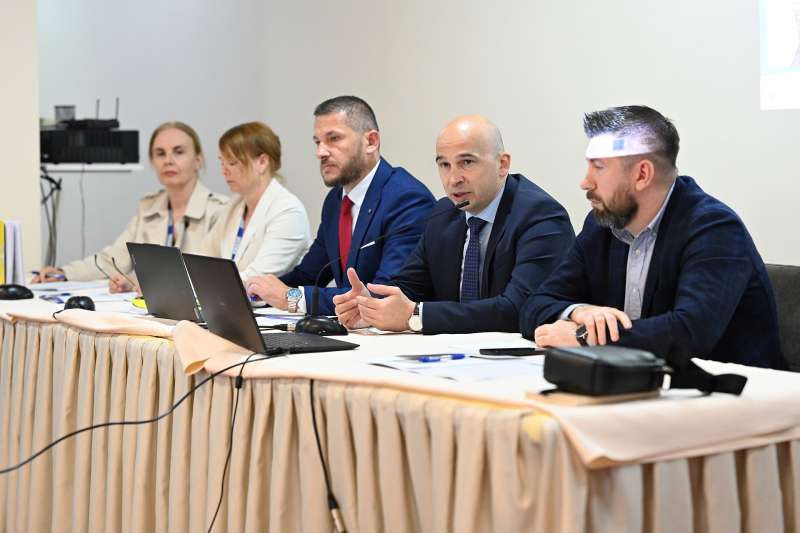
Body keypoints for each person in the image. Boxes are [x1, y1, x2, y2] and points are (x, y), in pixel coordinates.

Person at [520, 105, 785, 369]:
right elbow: (535, 305)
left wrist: (585, 337)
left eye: (598, 167)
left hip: (736, 390)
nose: (585, 182)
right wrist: (580, 312)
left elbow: (689, 334)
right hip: (640, 383)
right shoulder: (601, 225)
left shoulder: (715, 228)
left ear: (642, 174)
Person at [333, 115, 574, 334]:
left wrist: (416, 316)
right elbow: (409, 286)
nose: (453, 179)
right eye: (444, 165)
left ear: (502, 164)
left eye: (467, 162)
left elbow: (518, 309)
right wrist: (370, 305)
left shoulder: (540, 216)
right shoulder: (444, 213)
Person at [245, 96, 435, 315]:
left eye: (333, 139)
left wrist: (291, 298)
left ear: (371, 141)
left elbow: (382, 295)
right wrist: (256, 293)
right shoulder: (335, 200)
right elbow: (309, 275)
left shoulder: (407, 199)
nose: (321, 152)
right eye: (317, 142)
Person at [32, 121, 228, 291]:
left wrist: (144, 283)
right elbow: (113, 259)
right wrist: (64, 273)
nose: (168, 161)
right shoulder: (149, 208)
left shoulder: (220, 211)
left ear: (198, 160)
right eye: (160, 154)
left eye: (179, 152)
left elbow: (212, 277)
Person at [202, 121, 311, 278]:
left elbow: (258, 278)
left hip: (266, 295)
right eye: (222, 162)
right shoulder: (234, 205)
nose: (224, 171)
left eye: (232, 162)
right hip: (227, 292)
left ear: (262, 162)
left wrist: (207, 283)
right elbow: (203, 258)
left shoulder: (288, 212)